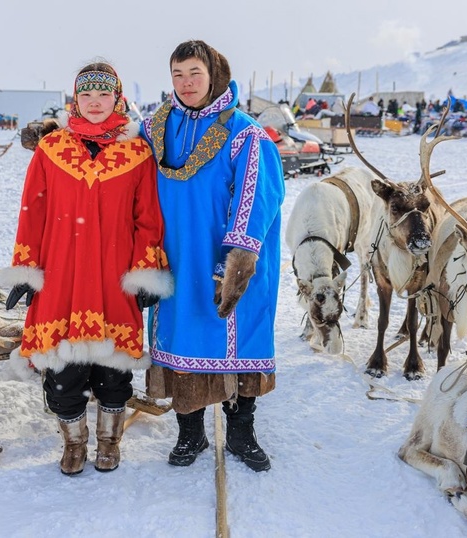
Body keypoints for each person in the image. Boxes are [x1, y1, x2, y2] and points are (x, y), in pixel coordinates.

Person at [0, 61, 173, 476]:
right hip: (61, 274)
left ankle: (110, 442)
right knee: (62, 370)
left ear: (118, 98)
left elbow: (148, 218)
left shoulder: (137, 153)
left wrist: (145, 270)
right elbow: (32, 213)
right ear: (74, 100)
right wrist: (26, 269)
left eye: (103, 95)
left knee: (114, 370)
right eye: (86, 96)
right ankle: (74, 444)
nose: (95, 103)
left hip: (114, 277)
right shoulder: (51, 149)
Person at [140, 40, 285, 472]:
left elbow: (260, 194)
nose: (186, 84)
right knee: (184, 341)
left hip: (231, 262)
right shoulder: (158, 127)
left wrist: (240, 254)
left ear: (214, 74)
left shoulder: (245, 133)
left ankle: (241, 434)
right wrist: (54, 131)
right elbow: (111, 140)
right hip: (178, 260)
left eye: (194, 74)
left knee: (237, 341)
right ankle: (191, 434)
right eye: (178, 75)